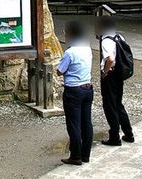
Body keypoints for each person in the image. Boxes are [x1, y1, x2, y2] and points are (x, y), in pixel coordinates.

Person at [56, 21, 94, 166]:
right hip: (87, 88)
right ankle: (85, 154)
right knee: (86, 122)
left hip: (73, 90)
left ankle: (75, 156)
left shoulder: (70, 52)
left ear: (70, 34)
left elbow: (60, 70)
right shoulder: (87, 48)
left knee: (74, 124)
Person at [96, 14, 133, 146]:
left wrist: (104, 72)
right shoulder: (119, 37)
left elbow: (110, 59)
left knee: (110, 106)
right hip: (119, 74)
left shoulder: (106, 40)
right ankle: (128, 133)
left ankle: (114, 137)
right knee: (118, 104)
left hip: (110, 75)